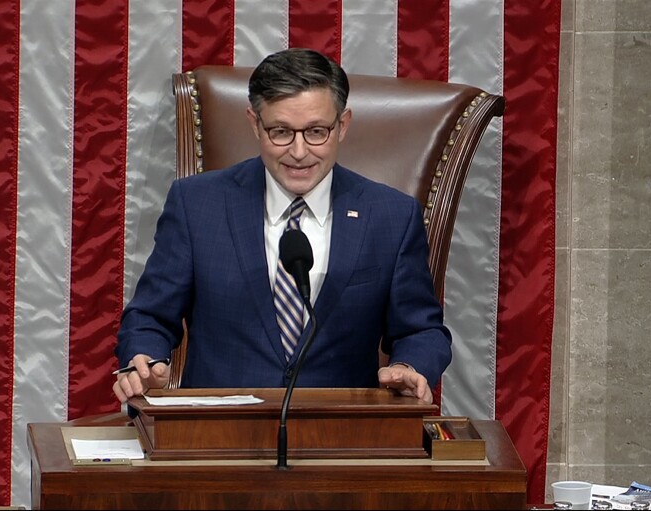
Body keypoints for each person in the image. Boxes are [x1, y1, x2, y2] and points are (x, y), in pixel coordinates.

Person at [114, 48, 452, 406]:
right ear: (254, 124)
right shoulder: (197, 204)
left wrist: (409, 365)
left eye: (317, 132)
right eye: (281, 132)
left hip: (341, 437)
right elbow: (150, 315)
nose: (299, 151)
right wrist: (145, 359)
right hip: (217, 437)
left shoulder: (391, 216)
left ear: (344, 125)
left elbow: (422, 328)